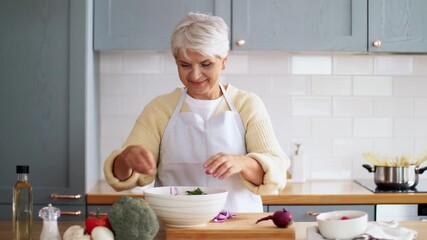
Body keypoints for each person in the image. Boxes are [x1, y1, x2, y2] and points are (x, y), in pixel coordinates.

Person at [104, 12, 289, 213]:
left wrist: (243, 163)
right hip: (176, 226)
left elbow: (277, 172)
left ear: (224, 61)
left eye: (206, 64)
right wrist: (126, 159)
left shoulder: (247, 104)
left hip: (239, 227)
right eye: (185, 65)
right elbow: (122, 179)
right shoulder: (160, 109)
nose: (195, 74)